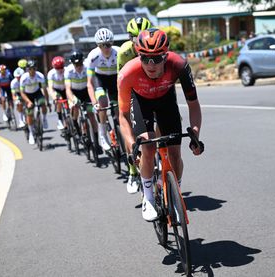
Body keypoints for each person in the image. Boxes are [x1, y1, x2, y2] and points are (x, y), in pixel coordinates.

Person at [118, 28, 204, 221]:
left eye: (156, 58)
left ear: (166, 56)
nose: (151, 64)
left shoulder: (179, 65)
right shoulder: (127, 73)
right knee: (148, 147)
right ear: (138, 55)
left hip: (166, 100)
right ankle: (148, 197)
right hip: (141, 103)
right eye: (145, 58)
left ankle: (176, 191)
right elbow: (122, 115)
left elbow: (194, 105)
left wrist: (195, 134)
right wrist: (133, 144)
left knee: (175, 151)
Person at [117, 16, 152, 194]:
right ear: (130, 38)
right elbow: (122, 82)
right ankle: (132, 170)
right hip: (131, 89)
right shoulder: (124, 53)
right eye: (135, 38)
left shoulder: (153, 46)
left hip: (150, 88)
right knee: (128, 125)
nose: (139, 42)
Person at [86, 28, 120, 151]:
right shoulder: (93, 56)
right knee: (103, 104)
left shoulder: (118, 53)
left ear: (112, 43)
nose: (106, 48)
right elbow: (89, 83)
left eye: (108, 44)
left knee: (118, 108)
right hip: (100, 79)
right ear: (98, 46)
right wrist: (94, 102)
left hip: (114, 79)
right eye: (102, 45)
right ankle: (102, 132)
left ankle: (121, 130)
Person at [65, 50, 100, 152]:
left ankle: (97, 143)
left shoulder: (87, 67)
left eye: (80, 63)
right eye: (76, 64)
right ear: (72, 64)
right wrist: (73, 99)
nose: (79, 66)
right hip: (75, 93)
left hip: (86, 92)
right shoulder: (68, 71)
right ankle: (77, 127)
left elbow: (93, 83)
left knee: (91, 116)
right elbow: (68, 89)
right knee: (74, 108)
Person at [19, 60, 49, 145]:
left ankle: (44, 118)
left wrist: (47, 101)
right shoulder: (24, 78)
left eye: (34, 69)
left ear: (36, 69)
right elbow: (22, 93)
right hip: (27, 95)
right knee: (29, 112)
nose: (32, 71)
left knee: (42, 103)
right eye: (30, 69)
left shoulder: (40, 76)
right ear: (27, 70)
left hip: (37, 92)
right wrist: (28, 102)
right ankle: (31, 133)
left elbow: (44, 90)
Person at [47, 56, 66, 130]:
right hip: (56, 90)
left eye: (61, 67)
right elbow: (50, 88)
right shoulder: (51, 74)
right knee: (59, 101)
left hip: (65, 89)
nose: (60, 69)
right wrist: (54, 96)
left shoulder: (67, 70)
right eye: (58, 68)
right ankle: (60, 119)